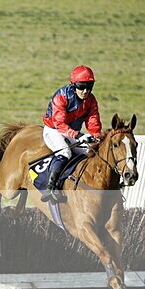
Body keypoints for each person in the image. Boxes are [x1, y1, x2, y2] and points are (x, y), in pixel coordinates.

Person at [40, 65, 103, 203]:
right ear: (73, 85)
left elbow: (93, 121)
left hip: (72, 133)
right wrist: (79, 135)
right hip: (54, 130)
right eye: (81, 86)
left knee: (90, 152)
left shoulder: (91, 100)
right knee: (65, 153)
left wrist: (97, 137)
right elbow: (59, 124)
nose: (85, 91)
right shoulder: (61, 96)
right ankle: (49, 188)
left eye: (89, 86)